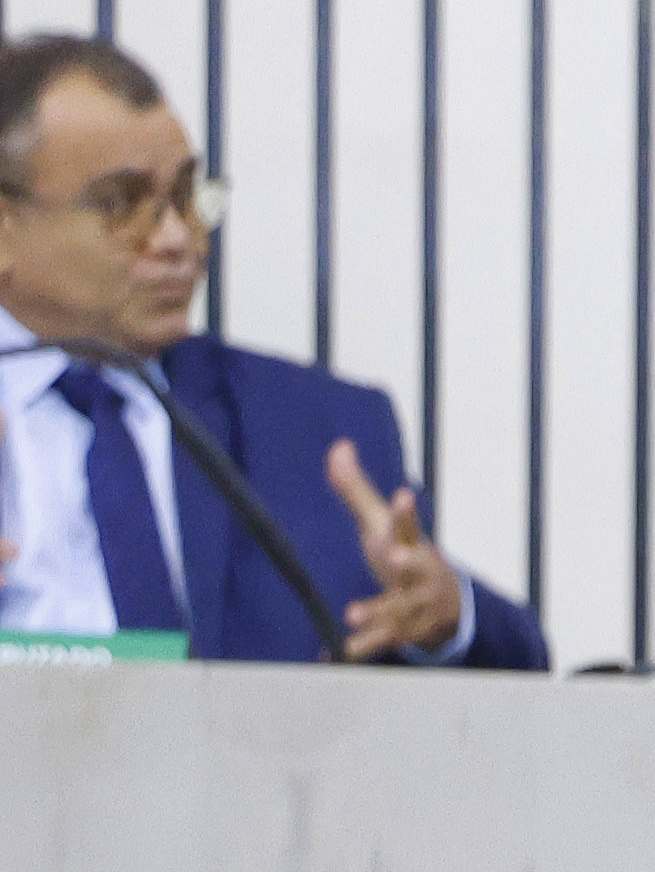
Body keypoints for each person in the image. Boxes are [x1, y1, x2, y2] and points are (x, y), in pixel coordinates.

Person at [0, 33, 544, 668]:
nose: (177, 240)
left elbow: (521, 671)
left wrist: (444, 617)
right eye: (121, 205)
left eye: (185, 196)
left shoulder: (316, 430)